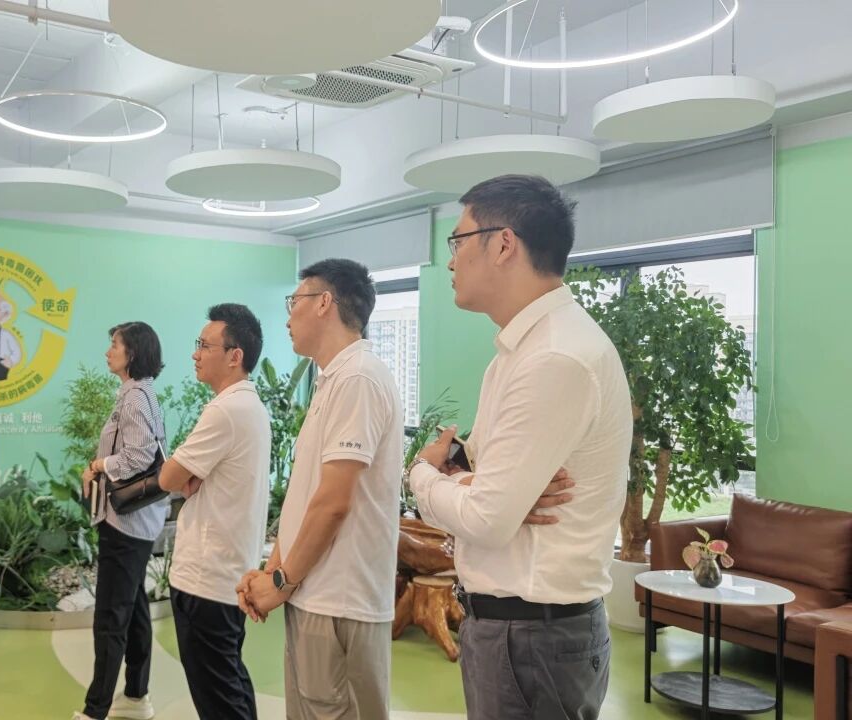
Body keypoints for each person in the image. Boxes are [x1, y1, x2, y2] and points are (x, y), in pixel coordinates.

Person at [406, 174, 632, 720]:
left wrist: (420, 475)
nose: (450, 261)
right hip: (518, 632)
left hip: (532, 638)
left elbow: (486, 517)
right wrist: (484, 486)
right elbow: (491, 491)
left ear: (504, 243)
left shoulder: (554, 356)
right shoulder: (520, 351)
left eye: (458, 240)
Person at [236, 259, 402, 720]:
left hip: (340, 600)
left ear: (324, 303)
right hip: (315, 594)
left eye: (295, 302)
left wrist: (280, 583)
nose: (288, 317)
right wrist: (272, 572)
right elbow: (305, 496)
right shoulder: (332, 379)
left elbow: (333, 504)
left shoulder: (358, 378)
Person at [158, 304, 270, 720]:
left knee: (218, 699)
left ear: (234, 356)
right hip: (229, 572)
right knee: (231, 683)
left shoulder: (224, 410)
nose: (195, 354)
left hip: (207, 578)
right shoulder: (250, 406)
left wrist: (185, 476)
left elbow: (169, 477)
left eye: (205, 346)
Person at [73, 321, 170, 720]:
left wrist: (98, 465)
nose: (108, 351)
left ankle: (95, 710)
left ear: (133, 353)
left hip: (125, 524)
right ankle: (136, 696)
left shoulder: (134, 399)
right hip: (139, 522)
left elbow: (139, 456)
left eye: (114, 344)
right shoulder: (140, 393)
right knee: (134, 609)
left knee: (110, 618)